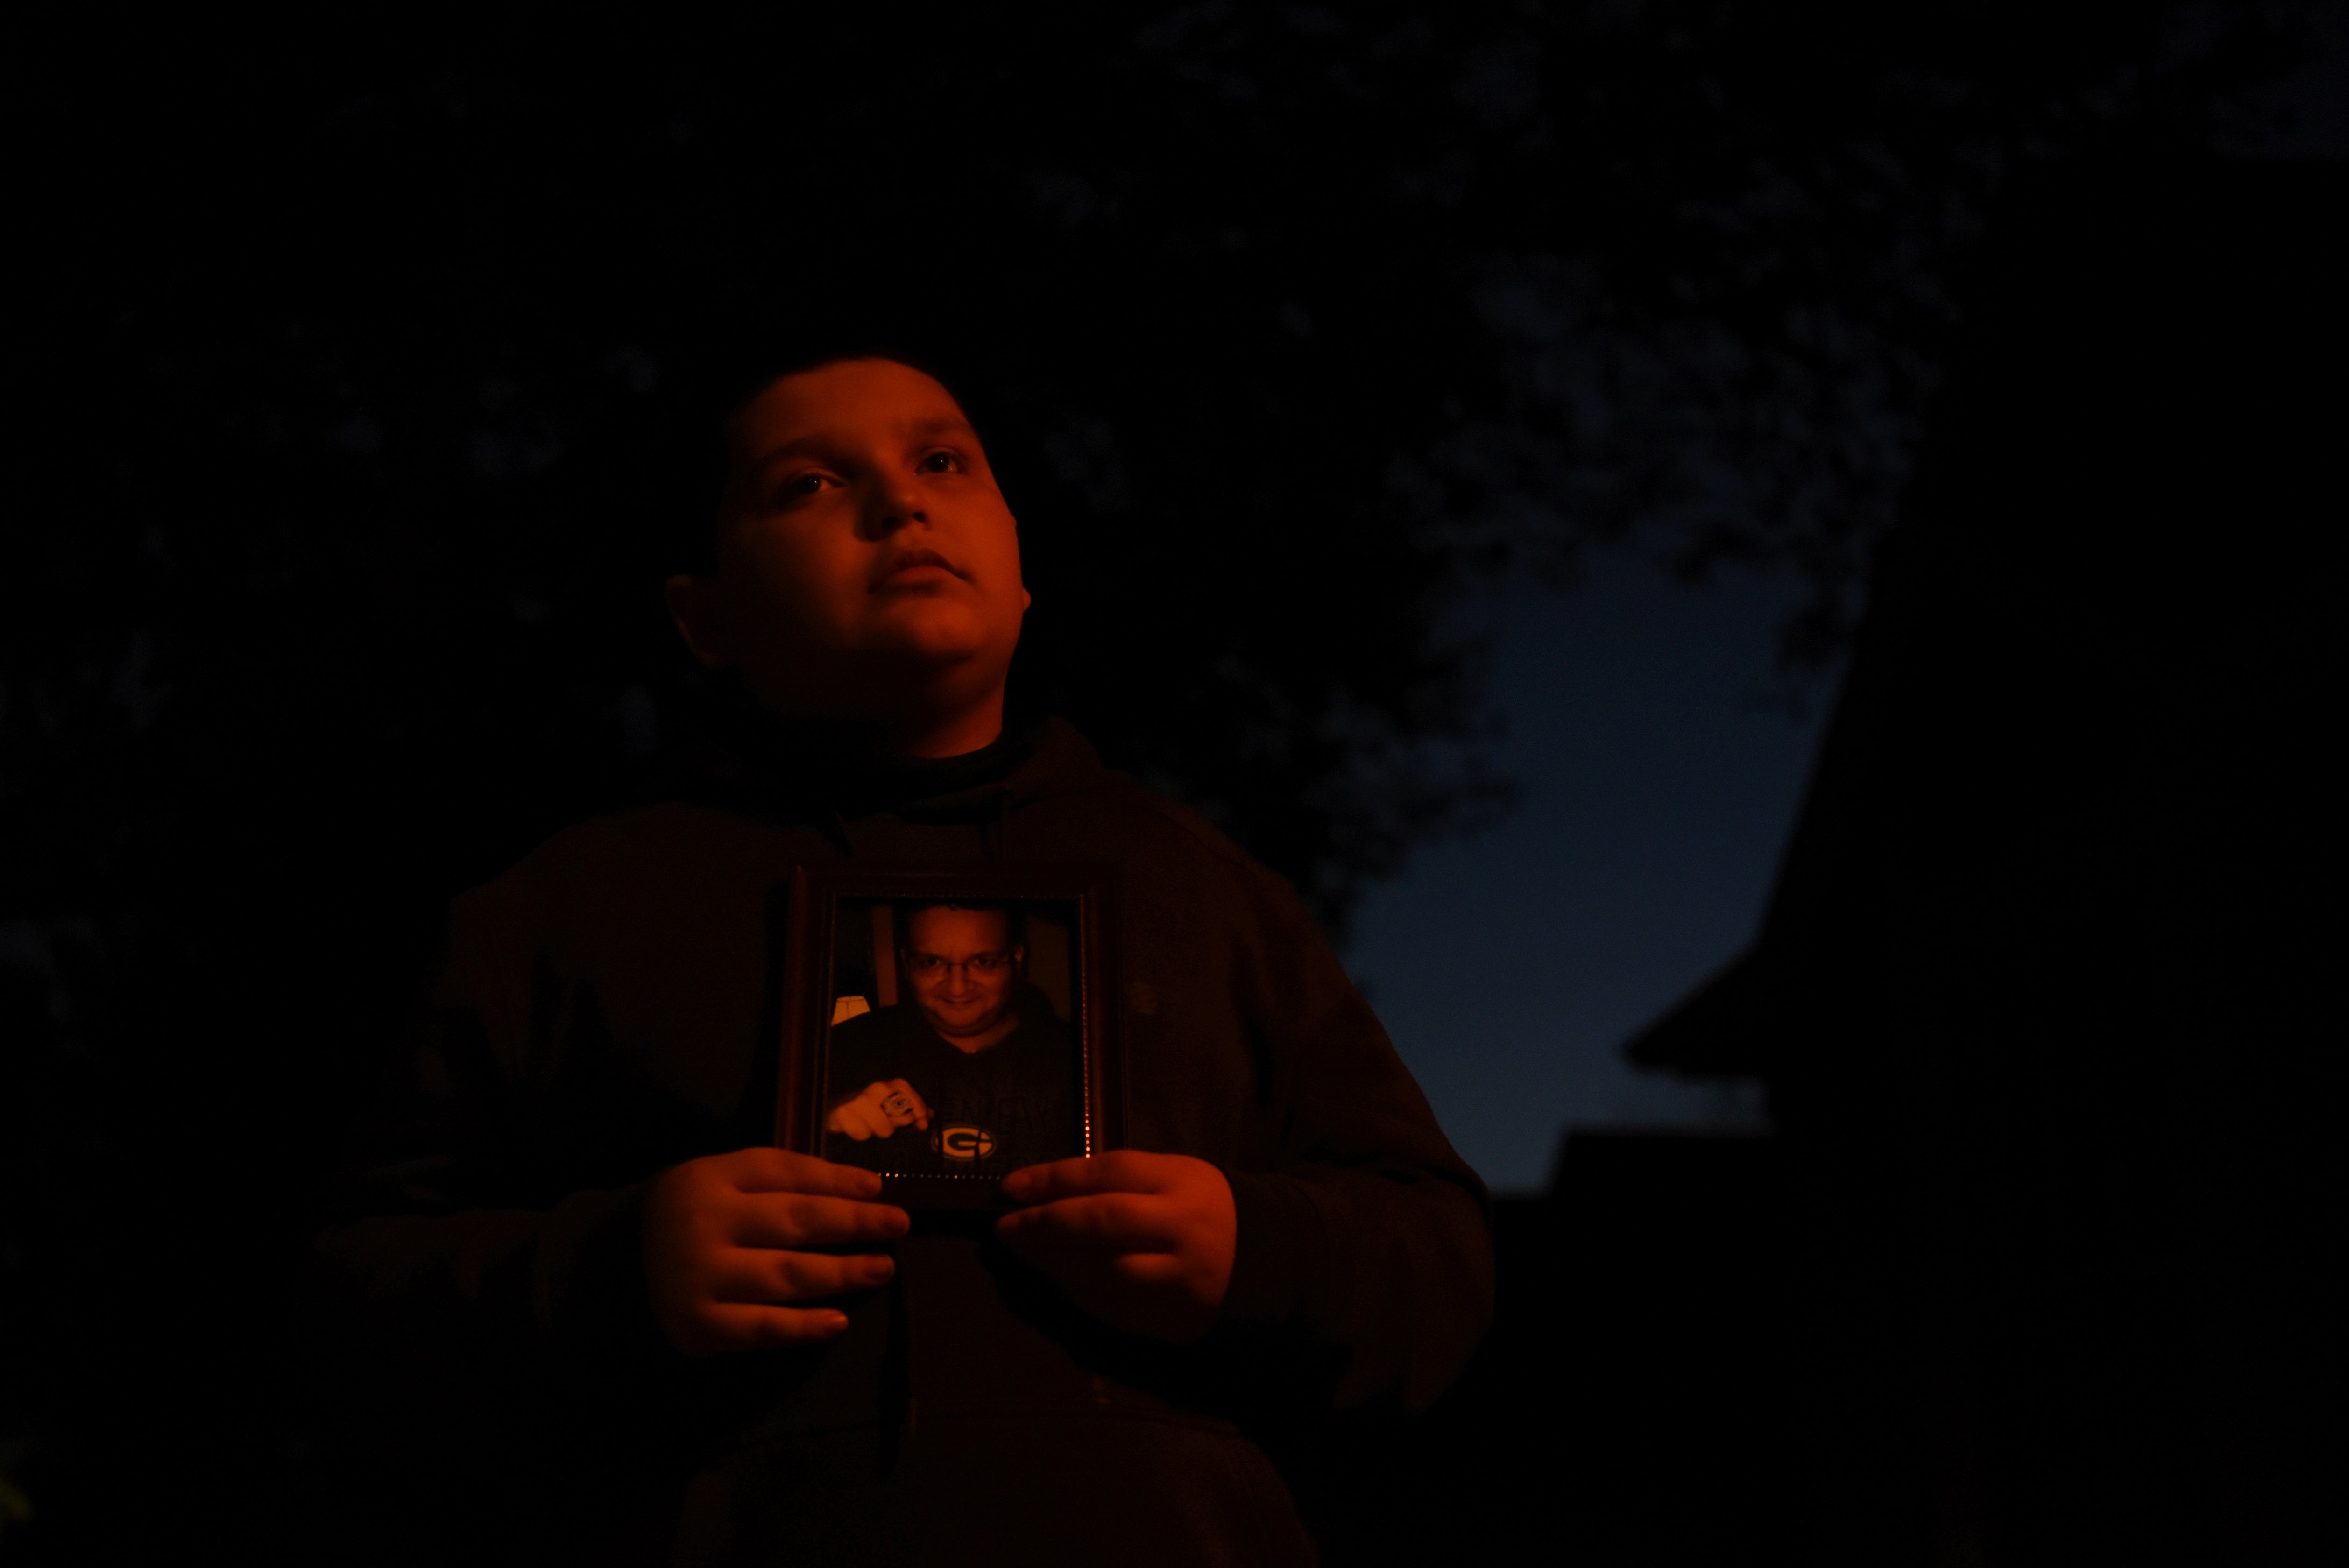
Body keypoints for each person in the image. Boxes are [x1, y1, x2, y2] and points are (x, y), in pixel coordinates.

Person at [314, 351, 1493, 1567]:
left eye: (941, 461)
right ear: (703, 617)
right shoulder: (558, 912)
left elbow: (1438, 1264)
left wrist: (1259, 1248)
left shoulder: (1210, 890)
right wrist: (615, 1271)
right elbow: (349, 1315)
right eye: (813, 483)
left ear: (1022, 563)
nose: (901, 503)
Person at [823, 902, 1078, 1176]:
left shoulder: (1081, 1058)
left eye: (983, 962)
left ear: (1017, 958)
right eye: (931, 963)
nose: (957, 988)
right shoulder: (838, 1049)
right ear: (907, 963)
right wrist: (825, 1124)